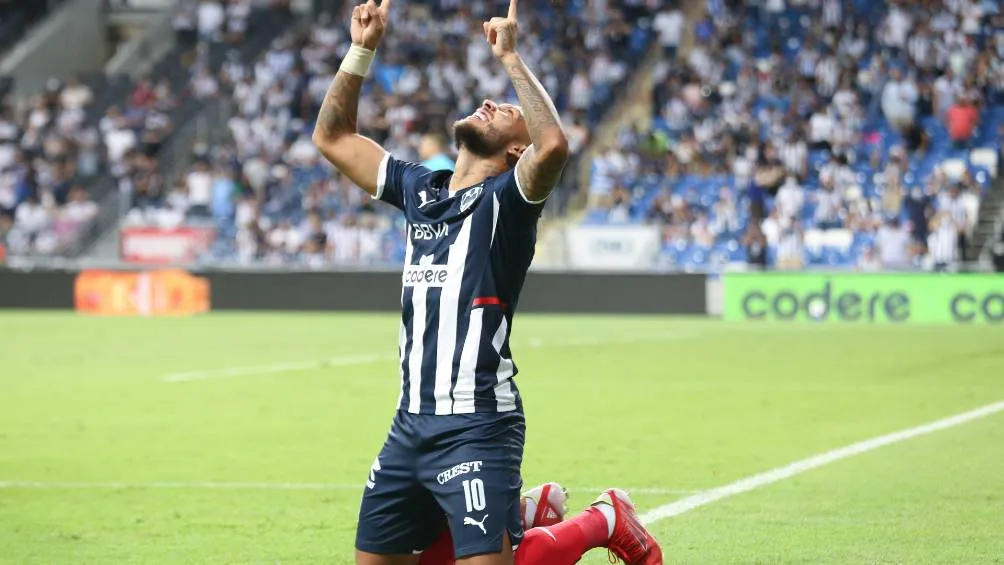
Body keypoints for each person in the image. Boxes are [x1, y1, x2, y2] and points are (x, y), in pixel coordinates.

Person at [311, 2, 663, 565]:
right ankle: (522, 520)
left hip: (477, 424)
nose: (491, 101)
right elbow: (331, 137)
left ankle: (603, 519)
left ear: (515, 151)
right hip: (409, 422)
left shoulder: (510, 203)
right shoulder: (421, 188)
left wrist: (511, 58)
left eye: (505, 112)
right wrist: (362, 49)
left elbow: (554, 147)